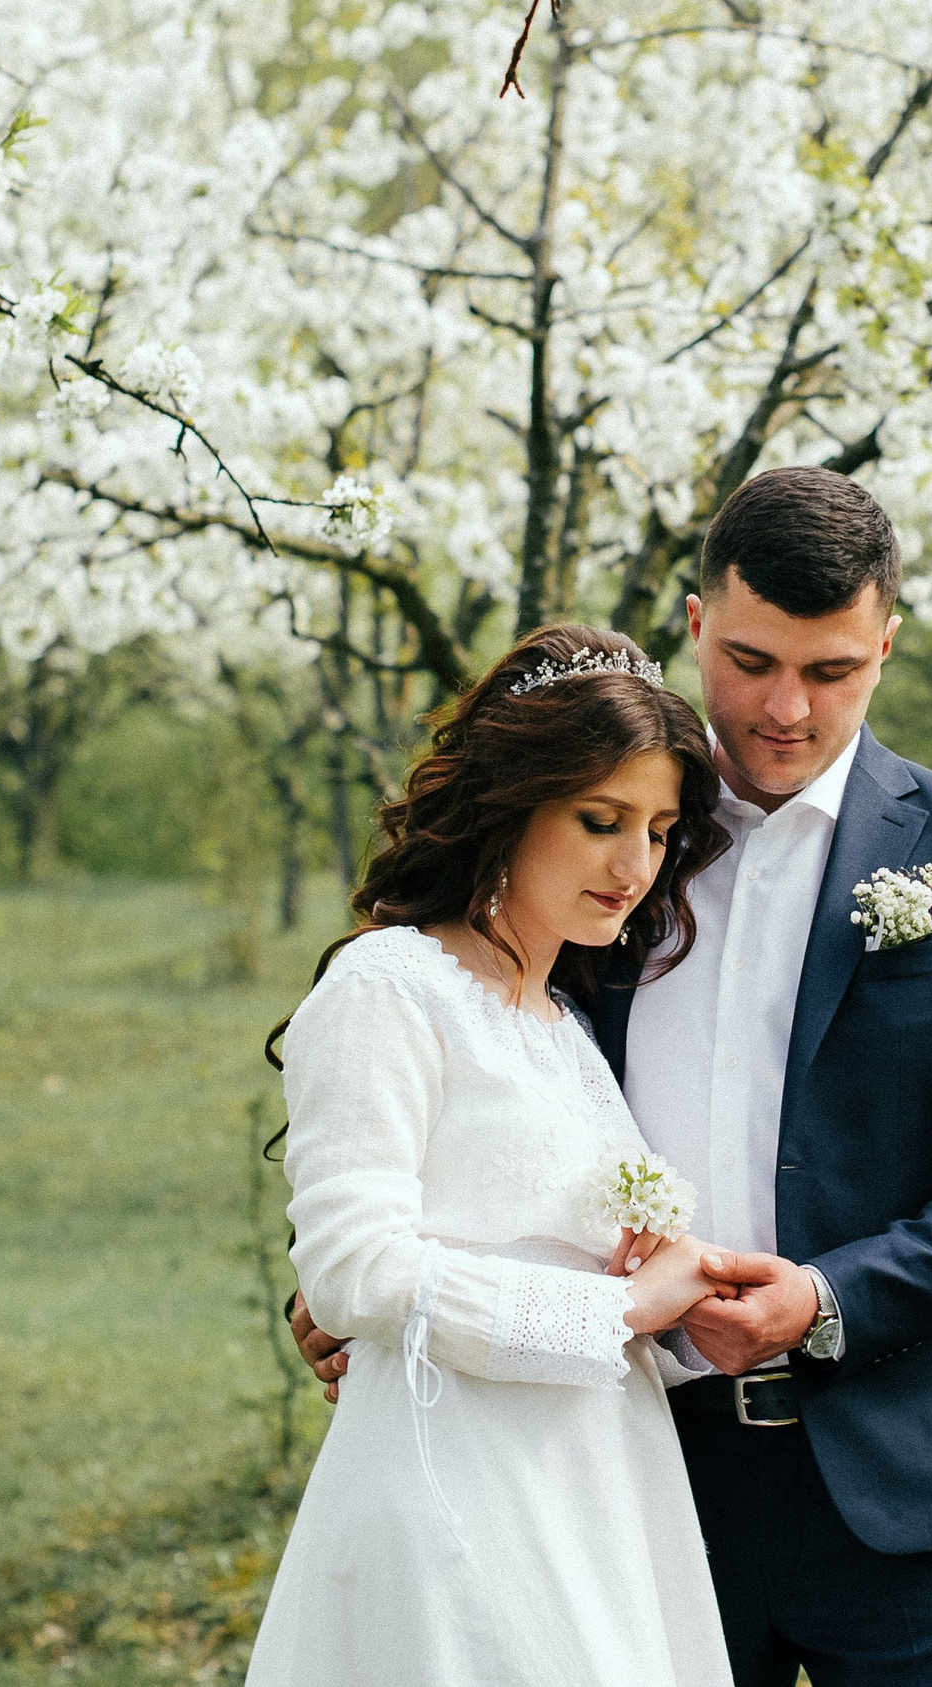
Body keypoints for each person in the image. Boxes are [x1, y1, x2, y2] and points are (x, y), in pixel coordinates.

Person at [289, 467, 932, 1686]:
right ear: (692, 623)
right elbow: (453, 1084)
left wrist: (823, 1296)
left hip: (908, 1477)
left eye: (831, 672)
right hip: (628, 1462)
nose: (784, 708)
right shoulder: (597, 839)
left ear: (887, 644)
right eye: (751, 659)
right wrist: (375, 1290)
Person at [244, 624, 740, 1687]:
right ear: (511, 805)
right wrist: (620, 1309)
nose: (632, 866)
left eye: (656, 830)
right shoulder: (388, 988)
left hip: (597, 1489)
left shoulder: (563, 1026)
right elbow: (352, 1269)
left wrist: (675, 1267)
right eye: (599, 820)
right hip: (455, 1488)